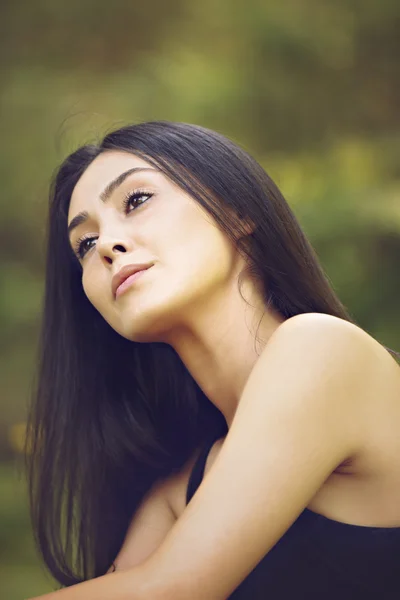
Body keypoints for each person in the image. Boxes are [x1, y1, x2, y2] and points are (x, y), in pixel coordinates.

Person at [26, 121, 400, 599]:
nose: (106, 246)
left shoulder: (324, 349)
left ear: (236, 210)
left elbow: (171, 590)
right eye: (84, 244)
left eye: (136, 201)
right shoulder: (179, 491)